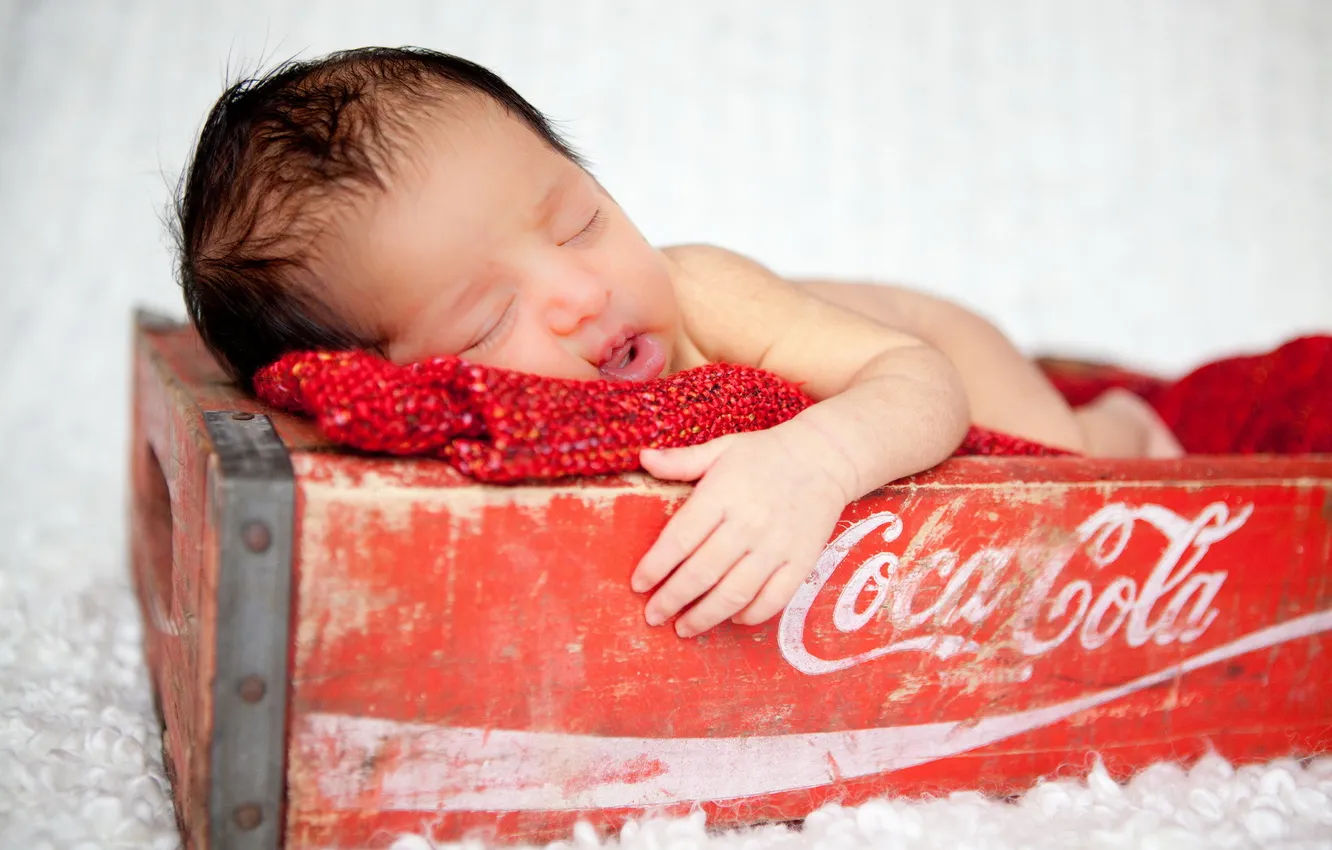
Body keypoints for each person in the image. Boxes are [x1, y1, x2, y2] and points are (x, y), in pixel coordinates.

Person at [174, 47, 1182, 640]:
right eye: (487, 319)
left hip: (942, 354)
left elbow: (920, 382)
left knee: (1086, 475)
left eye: (578, 222)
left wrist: (817, 458)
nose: (581, 289)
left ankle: (1124, 418)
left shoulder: (698, 287)